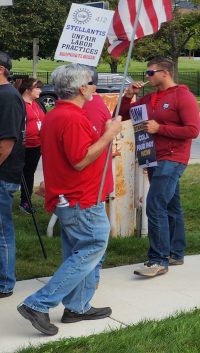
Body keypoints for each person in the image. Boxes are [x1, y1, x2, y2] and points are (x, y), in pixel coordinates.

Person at [17, 64, 122, 336]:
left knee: (78, 253)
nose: (95, 88)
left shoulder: (56, 114)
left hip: (71, 196)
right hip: (81, 198)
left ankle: (77, 306)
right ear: (81, 88)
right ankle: (38, 303)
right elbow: (79, 160)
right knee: (91, 247)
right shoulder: (72, 117)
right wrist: (109, 135)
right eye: (91, 83)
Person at [122, 57, 200, 279]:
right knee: (171, 205)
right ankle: (176, 252)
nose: (146, 77)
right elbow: (124, 114)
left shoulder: (183, 96)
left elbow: (193, 130)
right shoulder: (151, 97)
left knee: (155, 205)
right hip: (154, 157)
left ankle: (158, 259)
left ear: (164, 73)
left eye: (150, 73)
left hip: (174, 157)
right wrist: (128, 96)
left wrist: (160, 128)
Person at [0, 51, 26, 300]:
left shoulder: (7, 97)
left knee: (2, 229)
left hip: (3, 174)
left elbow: (7, 141)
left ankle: (5, 283)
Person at [15, 78, 44, 214]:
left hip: (37, 145)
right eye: (37, 88)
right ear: (27, 89)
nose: (40, 90)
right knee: (21, 174)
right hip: (23, 146)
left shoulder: (37, 103)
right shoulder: (19, 104)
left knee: (29, 174)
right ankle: (24, 201)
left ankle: (26, 201)